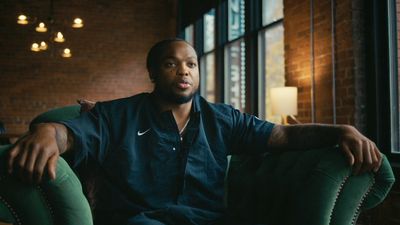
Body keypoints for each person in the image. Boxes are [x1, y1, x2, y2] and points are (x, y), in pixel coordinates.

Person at [7, 38, 382, 225]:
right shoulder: (117, 115)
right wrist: (47, 132)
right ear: (154, 74)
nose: (183, 71)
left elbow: (283, 137)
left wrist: (341, 131)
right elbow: (71, 134)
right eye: (171, 64)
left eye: (191, 64)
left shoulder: (223, 119)